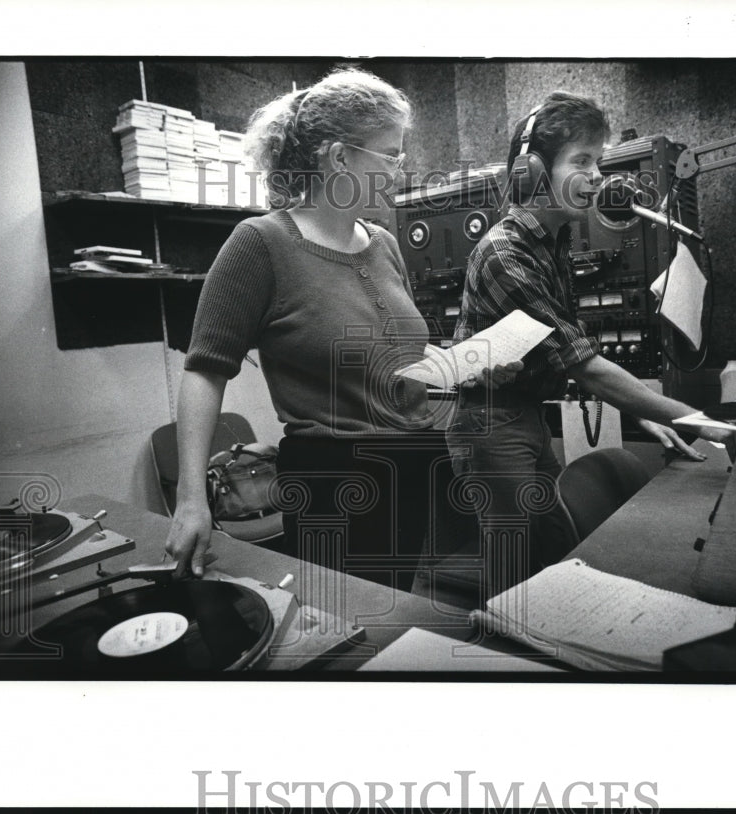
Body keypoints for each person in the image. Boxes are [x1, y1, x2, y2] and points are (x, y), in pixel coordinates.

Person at [164, 68, 514, 591]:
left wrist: (467, 363)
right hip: (336, 479)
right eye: (391, 155)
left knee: (392, 613)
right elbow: (204, 372)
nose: (401, 169)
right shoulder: (260, 243)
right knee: (341, 629)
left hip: (413, 466)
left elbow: (399, 360)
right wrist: (192, 499)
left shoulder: (383, 243)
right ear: (339, 157)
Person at [445, 91, 728, 597]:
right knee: (514, 577)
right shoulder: (505, 255)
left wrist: (642, 410)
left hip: (524, 416)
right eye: (582, 161)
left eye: (598, 161)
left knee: (553, 550)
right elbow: (587, 366)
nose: (598, 177)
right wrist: (691, 417)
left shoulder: (551, 242)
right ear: (530, 172)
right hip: (491, 424)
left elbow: (564, 348)